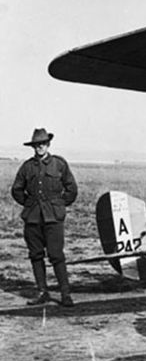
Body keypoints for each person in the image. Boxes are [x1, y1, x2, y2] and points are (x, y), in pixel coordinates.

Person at [11, 128, 78, 307]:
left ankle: (65, 294)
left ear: (48, 144)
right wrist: (29, 204)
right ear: (33, 147)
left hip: (53, 219)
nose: (39, 147)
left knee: (56, 255)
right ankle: (42, 292)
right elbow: (16, 189)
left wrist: (59, 205)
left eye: (42, 143)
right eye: (36, 144)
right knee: (36, 255)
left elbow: (72, 189)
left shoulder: (59, 164)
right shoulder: (27, 167)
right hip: (33, 218)